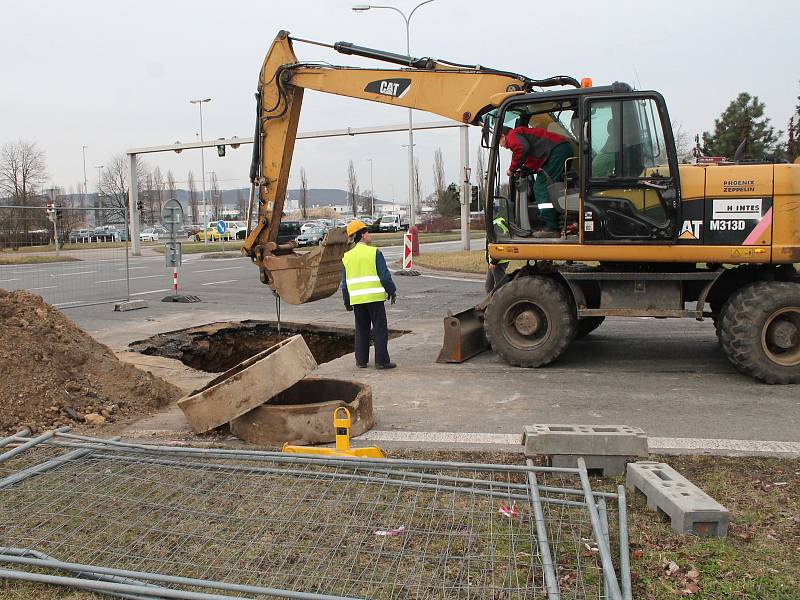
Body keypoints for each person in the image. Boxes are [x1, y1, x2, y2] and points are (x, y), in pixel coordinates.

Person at [341, 220, 397, 369]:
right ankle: (381, 361)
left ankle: (361, 361)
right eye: (368, 233)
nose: (370, 235)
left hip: (357, 300)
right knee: (379, 329)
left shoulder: (347, 256)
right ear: (363, 235)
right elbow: (384, 277)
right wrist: (392, 291)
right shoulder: (374, 253)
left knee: (361, 329)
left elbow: (344, 284)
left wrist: (347, 301)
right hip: (374, 299)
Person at [499, 125, 574, 238]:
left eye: (499, 142)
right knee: (554, 187)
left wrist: (511, 169)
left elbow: (522, 149)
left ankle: (551, 227)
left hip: (556, 152)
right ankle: (558, 221)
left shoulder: (512, 135)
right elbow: (533, 157)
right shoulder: (522, 135)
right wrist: (525, 169)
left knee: (541, 187)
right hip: (560, 149)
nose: (501, 146)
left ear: (502, 136)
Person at [485, 215, 510, 294]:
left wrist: (494, 261)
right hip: (495, 260)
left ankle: (502, 303)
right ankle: (491, 304)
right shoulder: (499, 222)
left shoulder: (496, 225)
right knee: (489, 286)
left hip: (498, 261)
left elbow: (499, 244)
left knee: (499, 287)